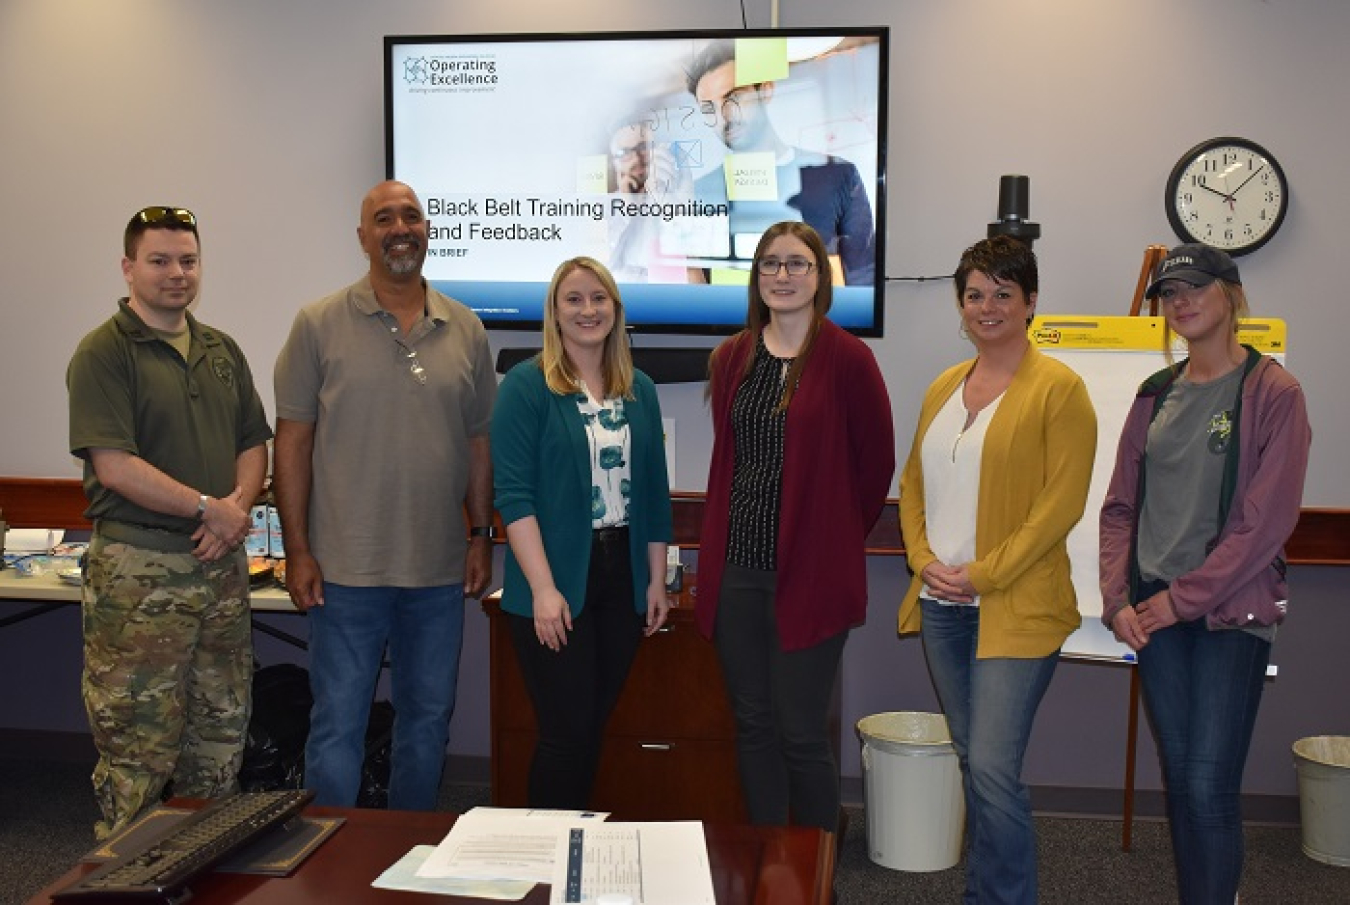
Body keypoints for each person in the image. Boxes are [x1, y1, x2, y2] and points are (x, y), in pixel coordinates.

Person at [272, 180, 497, 811]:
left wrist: (481, 536)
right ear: (363, 236)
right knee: (337, 725)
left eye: (412, 216)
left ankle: (407, 857)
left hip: (437, 571)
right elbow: (290, 442)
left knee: (427, 722)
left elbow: (478, 442)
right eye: (384, 218)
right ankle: (327, 868)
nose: (400, 227)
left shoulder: (467, 328)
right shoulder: (318, 324)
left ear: (427, 230)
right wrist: (298, 550)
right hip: (345, 571)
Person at [1100, 244, 1311, 904]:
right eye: (1170, 291)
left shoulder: (1275, 393)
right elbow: (1119, 507)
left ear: (1231, 295)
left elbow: (1264, 524)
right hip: (1153, 615)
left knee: (1208, 783)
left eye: (1196, 285)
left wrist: (1180, 600)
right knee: (1182, 778)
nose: (1181, 299)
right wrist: (1117, 599)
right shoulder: (1153, 395)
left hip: (1229, 616)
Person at [897, 235, 1095, 904]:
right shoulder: (944, 386)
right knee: (975, 764)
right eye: (975, 294)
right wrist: (924, 561)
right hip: (941, 606)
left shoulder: (1060, 389)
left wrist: (985, 573)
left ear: (1031, 301)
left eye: (1002, 294)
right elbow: (915, 483)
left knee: (991, 766)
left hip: (1017, 607)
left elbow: (1059, 506)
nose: (987, 307)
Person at [67, 205, 272, 839]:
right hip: (139, 577)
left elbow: (251, 441)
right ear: (129, 268)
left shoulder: (219, 349)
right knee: (139, 750)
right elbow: (116, 466)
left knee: (219, 734)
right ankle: (123, 879)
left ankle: (201, 867)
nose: (175, 273)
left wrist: (235, 506)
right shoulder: (104, 352)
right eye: (159, 260)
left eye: (187, 260)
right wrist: (212, 509)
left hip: (219, 570)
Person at [696, 221, 894, 832]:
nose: (783, 276)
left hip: (809, 575)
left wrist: (829, 539)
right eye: (770, 265)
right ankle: (767, 865)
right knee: (752, 725)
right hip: (736, 571)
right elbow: (733, 461)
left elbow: (875, 466)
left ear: (819, 276)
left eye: (797, 264)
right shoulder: (732, 355)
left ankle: (812, 875)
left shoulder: (849, 358)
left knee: (800, 731)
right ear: (756, 278)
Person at [491, 257, 673, 809]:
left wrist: (656, 581)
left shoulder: (638, 387)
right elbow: (513, 497)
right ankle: (547, 864)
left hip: (622, 579)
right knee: (565, 734)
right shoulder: (527, 385)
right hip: (554, 579)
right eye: (573, 299)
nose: (587, 309)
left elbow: (653, 492)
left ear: (616, 310)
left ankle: (575, 853)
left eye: (599, 298)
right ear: (554, 312)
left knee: (591, 726)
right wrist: (545, 590)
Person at [685, 40, 875, 285]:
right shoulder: (701, 191)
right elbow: (696, 291)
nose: (723, 117)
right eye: (708, 108)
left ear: (766, 90)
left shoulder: (836, 175)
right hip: (732, 323)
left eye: (734, 97)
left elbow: (863, 278)